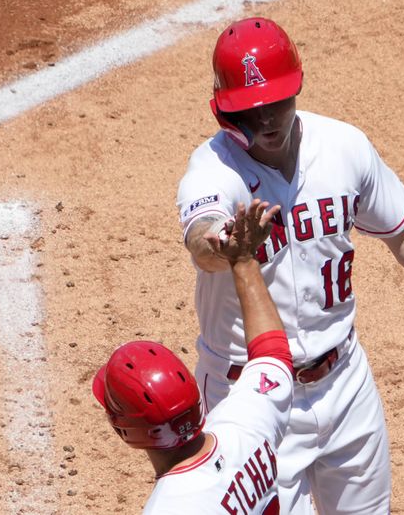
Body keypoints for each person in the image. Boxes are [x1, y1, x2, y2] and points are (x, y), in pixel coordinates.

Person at [176, 17, 404, 515]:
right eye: (252, 111)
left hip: (345, 380)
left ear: (297, 88)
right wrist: (227, 245)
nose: (268, 121)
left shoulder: (344, 147)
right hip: (251, 400)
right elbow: (201, 238)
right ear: (224, 111)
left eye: (277, 102)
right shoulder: (214, 171)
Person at [93, 199, 296, 514]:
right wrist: (243, 261)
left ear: (125, 432)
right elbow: (273, 352)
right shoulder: (244, 423)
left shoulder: (170, 506)